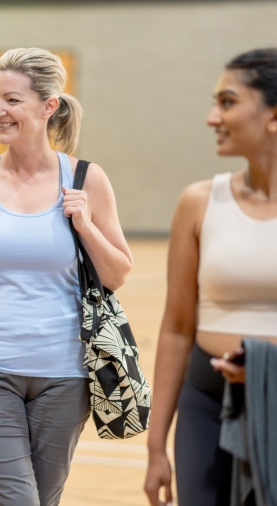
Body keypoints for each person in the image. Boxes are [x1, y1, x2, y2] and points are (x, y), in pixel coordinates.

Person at [0, 47, 132, 506]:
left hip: (65, 377)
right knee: (14, 500)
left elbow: (118, 273)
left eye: (12, 101)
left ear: (49, 106)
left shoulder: (86, 179)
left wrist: (85, 226)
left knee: (40, 499)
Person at [144, 48, 277, 506]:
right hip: (205, 403)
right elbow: (177, 328)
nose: (211, 117)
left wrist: (263, 367)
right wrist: (156, 443)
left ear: (274, 114)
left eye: (227, 102)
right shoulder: (199, 202)